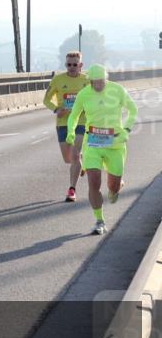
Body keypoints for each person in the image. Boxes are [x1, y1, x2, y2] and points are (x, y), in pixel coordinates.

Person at [66, 64, 138, 235]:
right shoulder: (84, 94)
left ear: (106, 79)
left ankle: (115, 187)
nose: (98, 85)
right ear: (90, 81)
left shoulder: (118, 90)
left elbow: (133, 110)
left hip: (115, 144)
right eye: (94, 82)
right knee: (94, 182)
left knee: (113, 186)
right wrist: (70, 131)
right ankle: (99, 221)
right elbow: (74, 115)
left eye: (101, 82)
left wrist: (126, 130)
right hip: (93, 144)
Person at [43, 51, 89, 202]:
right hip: (63, 123)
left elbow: (96, 97)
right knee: (68, 159)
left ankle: (72, 190)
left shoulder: (87, 80)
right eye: (68, 64)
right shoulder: (58, 79)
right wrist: (57, 109)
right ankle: (81, 162)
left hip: (81, 121)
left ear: (80, 65)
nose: (71, 67)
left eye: (75, 64)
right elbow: (46, 100)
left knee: (75, 156)